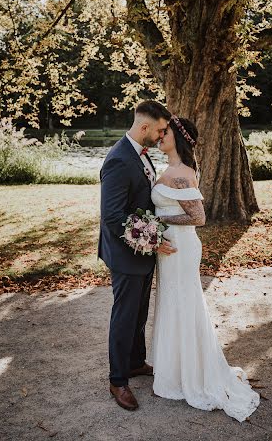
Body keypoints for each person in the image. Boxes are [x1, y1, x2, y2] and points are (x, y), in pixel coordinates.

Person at [148, 115, 260, 422]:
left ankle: (191, 375)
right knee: (172, 303)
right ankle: (175, 369)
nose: (160, 136)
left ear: (178, 137)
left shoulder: (182, 172)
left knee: (183, 303)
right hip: (170, 247)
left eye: (165, 132)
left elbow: (198, 217)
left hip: (181, 248)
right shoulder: (170, 169)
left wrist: (158, 223)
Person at [98, 100, 176, 411]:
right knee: (125, 316)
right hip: (125, 253)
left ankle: (134, 362)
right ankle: (118, 380)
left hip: (142, 251)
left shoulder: (141, 155)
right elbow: (113, 216)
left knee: (140, 312)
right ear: (144, 127)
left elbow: (142, 201)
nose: (161, 136)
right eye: (159, 130)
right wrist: (153, 241)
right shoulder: (118, 160)